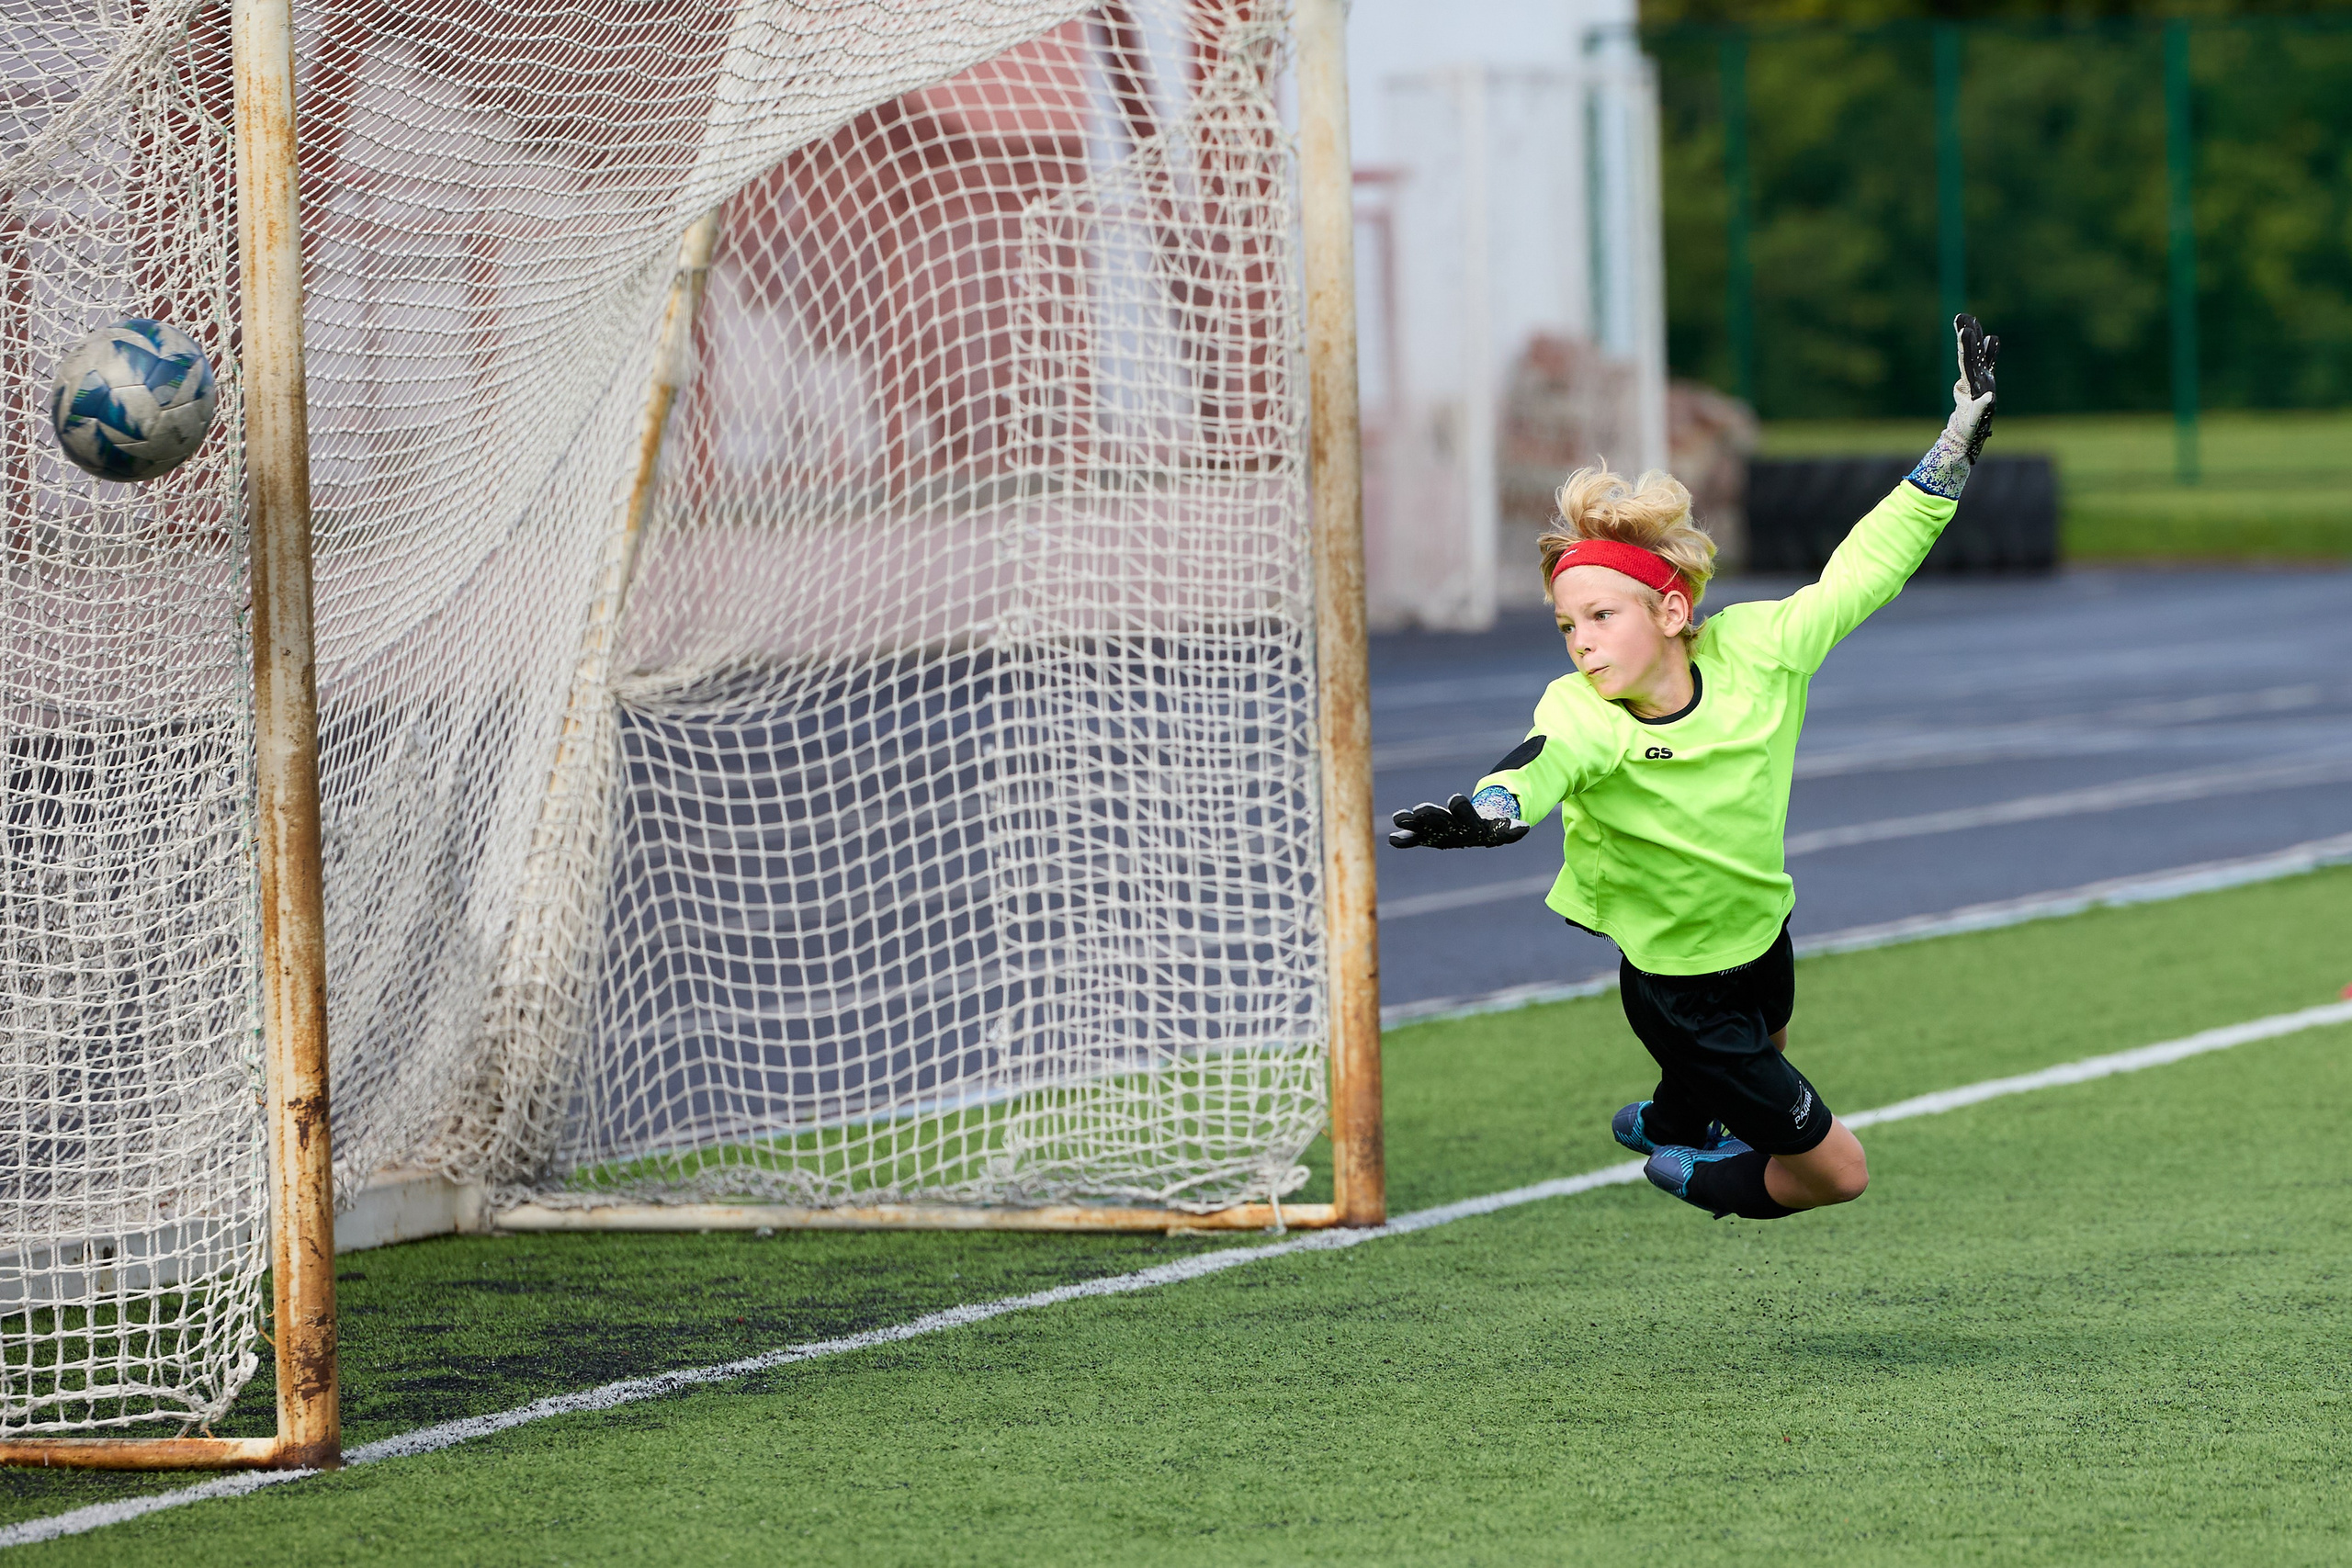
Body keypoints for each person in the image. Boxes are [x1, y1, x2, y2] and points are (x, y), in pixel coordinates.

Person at [1388, 315, 1999, 1221]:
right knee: (1837, 1172)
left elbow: (1863, 569)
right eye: (1567, 625)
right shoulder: (1583, 713)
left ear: (1671, 614)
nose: (1581, 642)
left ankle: (1671, 1117)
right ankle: (1688, 1170)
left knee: (1769, 1040)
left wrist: (1953, 448)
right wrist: (1489, 811)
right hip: (1679, 986)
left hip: (1764, 930)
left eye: (1602, 617)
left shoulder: (1759, 650)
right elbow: (1537, 766)